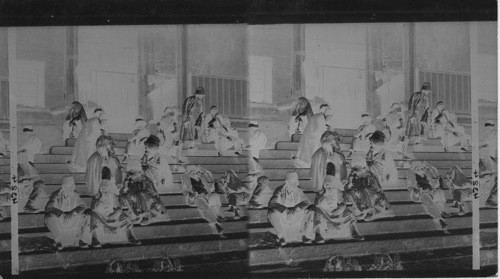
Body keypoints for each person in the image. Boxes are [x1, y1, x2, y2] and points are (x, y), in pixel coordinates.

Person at [312, 163, 364, 242]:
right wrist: (323, 194)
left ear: (333, 185)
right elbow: (317, 204)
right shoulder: (320, 193)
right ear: (323, 185)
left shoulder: (336, 192)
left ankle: (354, 232)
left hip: (334, 212)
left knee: (348, 213)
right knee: (316, 210)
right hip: (324, 213)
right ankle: (317, 234)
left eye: (330, 185)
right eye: (326, 185)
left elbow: (342, 203)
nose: (328, 187)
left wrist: (339, 209)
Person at [44, 176, 92, 250]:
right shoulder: (56, 194)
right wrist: (61, 214)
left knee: (87, 215)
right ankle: (58, 241)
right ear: (63, 186)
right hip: (60, 221)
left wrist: (72, 213)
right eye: (66, 186)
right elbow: (48, 207)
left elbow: (83, 206)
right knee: (48, 217)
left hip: (72, 220)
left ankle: (80, 239)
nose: (69, 189)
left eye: (71, 187)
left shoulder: (75, 194)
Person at [267, 171, 315, 246]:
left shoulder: (298, 190)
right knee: (271, 212)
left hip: (295, 216)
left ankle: (303, 235)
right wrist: (285, 210)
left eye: (297, 181)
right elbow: (272, 203)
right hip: (283, 216)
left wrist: (295, 209)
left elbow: (306, 201)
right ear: (288, 182)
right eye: (295, 181)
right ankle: (282, 237)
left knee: (311, 211)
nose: (297, 183)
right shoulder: (279, 190)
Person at [90, 177, 141, 247]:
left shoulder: (111, 196)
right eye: (103, 189)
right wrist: (100, 199)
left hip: (112, 216)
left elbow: (118, 206)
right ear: (100, 190)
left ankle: (130, 237)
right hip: (102, 217)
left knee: (125, 217)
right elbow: (93, 208)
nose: (105, 191)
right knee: (93, 215)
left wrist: (117, 212)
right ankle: (94, 239)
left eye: (106, 190)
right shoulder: (96, 197)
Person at [344, 157, 395, 221]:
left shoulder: (368, 174)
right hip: (365, 189)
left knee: (363, 189)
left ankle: (367, 210)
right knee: (361, 189)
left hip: (365, 190)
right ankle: (366, 210)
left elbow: (376, 187)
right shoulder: (354, 174)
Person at [406, 161, 451, 234]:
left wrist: (438, 181)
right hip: (422, 193)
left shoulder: (426, 173)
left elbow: (434, 183)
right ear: (413, 169)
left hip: (431, 190)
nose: (417, 169)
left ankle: (443, 210)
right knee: (428, 201)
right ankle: (440, 220)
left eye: (419, 167)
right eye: (415, 168)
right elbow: (409, 186)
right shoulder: (411, 175)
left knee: (439, 192)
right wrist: (416, 190)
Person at [181, 165, 225, 236]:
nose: (195, 173)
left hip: (206, 196)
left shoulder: (201, 178)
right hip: (197, 198)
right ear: (189, 173)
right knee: (202, 203)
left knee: (215, 195)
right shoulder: (187, 179)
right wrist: (191, 195)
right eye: (192, 172)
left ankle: (218, 214)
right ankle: (216, 224)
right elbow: (184, 191)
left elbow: (208, 189)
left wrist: (214, 185)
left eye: (196, 172)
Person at [69, 108, 107, 172]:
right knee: (88, 156)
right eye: (104, 121)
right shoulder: (95, 121)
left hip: (85, 140)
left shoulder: (93, 120)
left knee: (85, 157)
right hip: (89, 142)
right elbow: (95, 135)